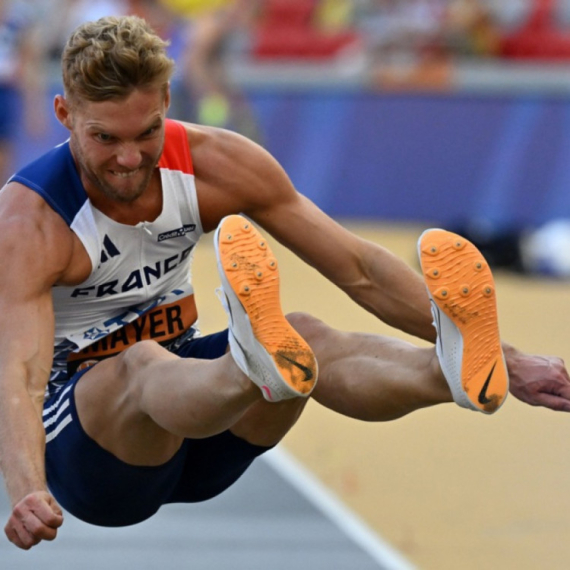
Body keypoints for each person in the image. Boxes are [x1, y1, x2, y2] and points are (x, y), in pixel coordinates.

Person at [0, 15, 568, 550]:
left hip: (204, 429)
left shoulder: (218, 163)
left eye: (147, 133)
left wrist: (507, 359)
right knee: (141, 360)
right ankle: (251, 365)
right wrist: (27, 487)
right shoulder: (31, 222)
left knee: (304, 335)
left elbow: (360, 269)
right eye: (105, 139)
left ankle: (451, 376)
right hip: (93, 459)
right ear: (64, 114)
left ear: (168, 102)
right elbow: (18, 374)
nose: (129, 158)